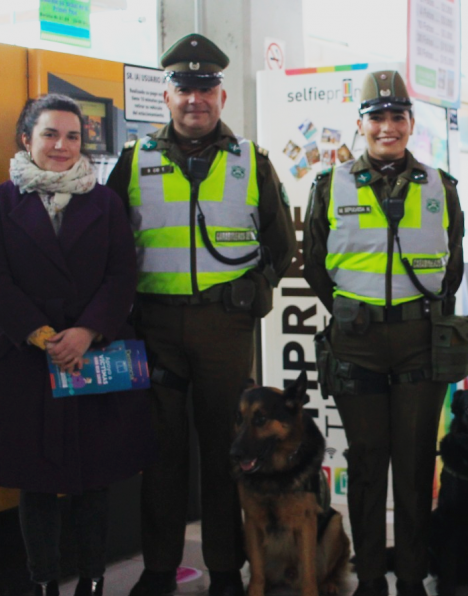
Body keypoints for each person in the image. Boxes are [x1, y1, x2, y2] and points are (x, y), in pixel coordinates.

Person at [105, 34, 297, 596]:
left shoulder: (251, 162)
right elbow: (113, 247)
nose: (196, 99)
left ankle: (223, 570)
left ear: (222, 96)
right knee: (161, 454)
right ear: (166, 95)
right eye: (184, 88)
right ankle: (159, 569)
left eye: (206, 88)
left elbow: (281, 245)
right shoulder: (134, 161)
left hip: (223, 327)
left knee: (227, 453)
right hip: (156, 328)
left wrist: (254, 297)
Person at [304, 70, 468, 596]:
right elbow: (314, 264)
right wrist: (355, 310)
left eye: (397, 116)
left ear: (411, 123)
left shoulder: (442, 185)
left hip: (422, 338)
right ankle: (371, 575)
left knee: (417, 463)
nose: (388, 126)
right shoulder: (330, 185)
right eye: (377, 117)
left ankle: (414, 574)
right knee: (368, 463)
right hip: (357, 341)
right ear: (361, 124)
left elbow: (454, 263)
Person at [0, 94, 157, 596]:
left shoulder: (105, 202)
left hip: (93, 356)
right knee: (37, 481)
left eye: (72, 136)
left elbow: (121, 275)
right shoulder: (4, 201)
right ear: (27, 139)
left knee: (94, 477)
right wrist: (41, 334)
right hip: (27, 357)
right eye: (49, 134)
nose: (62, 145)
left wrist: (87, 331)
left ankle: (92, 579)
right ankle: (45, 581)